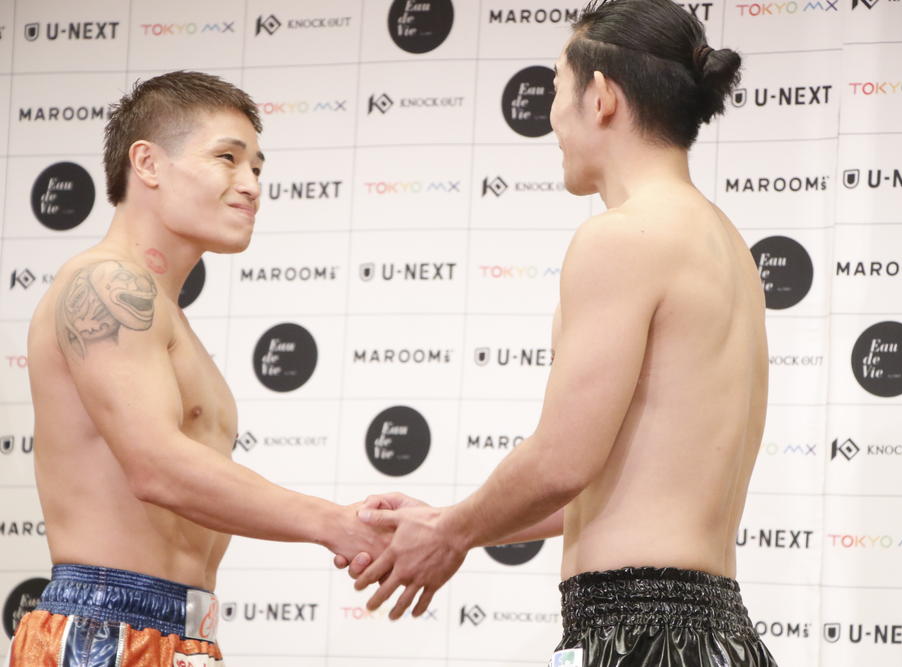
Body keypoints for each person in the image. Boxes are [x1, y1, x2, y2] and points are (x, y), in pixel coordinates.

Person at [350, 1, 779, 665]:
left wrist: (450, 532)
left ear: (601, 96)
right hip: (720, 636)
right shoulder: (725, 245)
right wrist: (452, 520)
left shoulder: (624, 236)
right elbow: (609, 483)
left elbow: (562, 461)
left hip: (638, 638)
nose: (551, 117)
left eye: (556, 87)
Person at [10, 71, 387, 667]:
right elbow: (156, 467)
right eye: (226, 158)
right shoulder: (106, 283)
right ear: (148, 163)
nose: (251, 185)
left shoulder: (166, 313)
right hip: (104, 632)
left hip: (185, 634)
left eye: (257, 167)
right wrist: (335, 523)